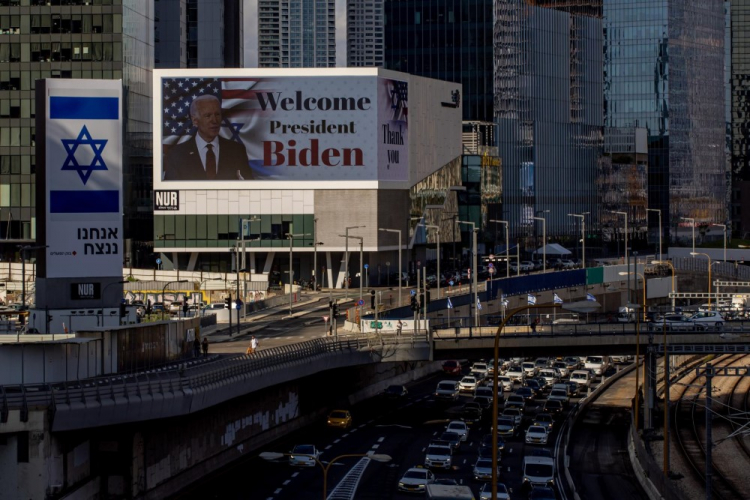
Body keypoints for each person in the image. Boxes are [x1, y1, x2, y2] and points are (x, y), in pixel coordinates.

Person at [163, 94, 255, 181]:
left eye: (217, 114)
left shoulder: (237, 151)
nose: (214, 120)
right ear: (195, 120)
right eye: (208, 116)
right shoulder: (177, 155)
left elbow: (247, 188)